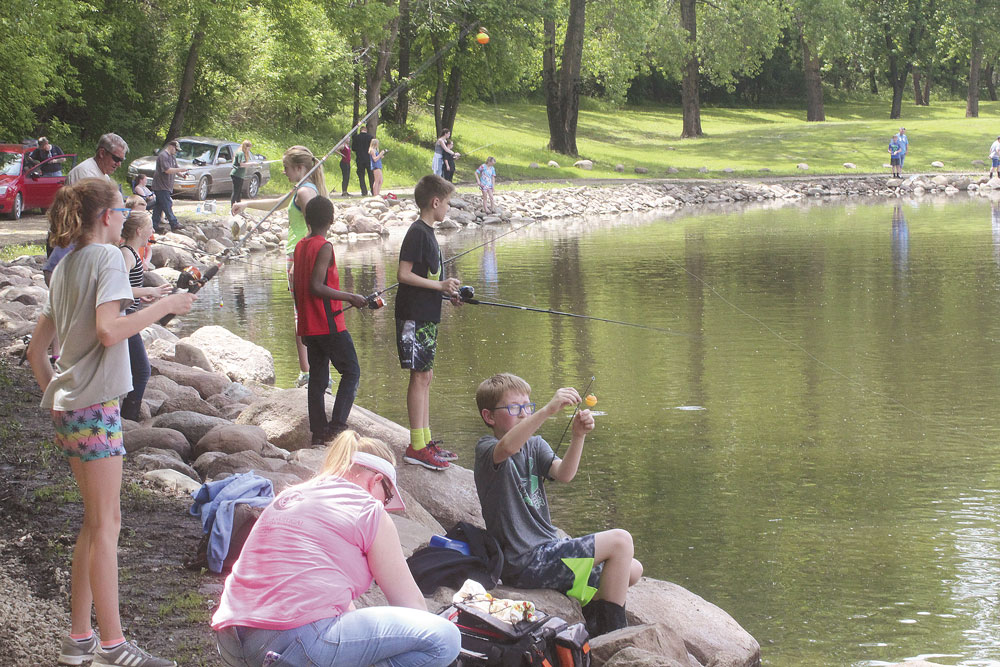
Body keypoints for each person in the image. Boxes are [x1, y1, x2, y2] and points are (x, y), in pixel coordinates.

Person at [26, 178, 196, 667]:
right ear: (106, 217)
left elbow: (40, 352)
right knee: (107, 526)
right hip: (97, 408)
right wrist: (166, 305)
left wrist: (56, 399)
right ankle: (114, 648)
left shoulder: (66, 265)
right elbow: (107, 331)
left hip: (74, 408)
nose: (128, 216)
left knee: (93, 523)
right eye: (124, 209)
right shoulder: (106, 258)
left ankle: (79, 639)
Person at [212, 430, 461, 667]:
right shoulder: (368, 509)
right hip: (288, 641)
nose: (384, 507)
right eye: (386, 498)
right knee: (444, 638)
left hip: (231, 642)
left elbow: (328, 604)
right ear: (376, 481)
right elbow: (412, 607)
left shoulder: (290, 497)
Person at [473, 373, 643, 637]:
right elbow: (506, 447)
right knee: (621, 541)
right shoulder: (488, 449)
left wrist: (578, 436)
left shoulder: (534, 445)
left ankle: (595, 618)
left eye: (527, 406)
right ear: (489, 416)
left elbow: (564, 473)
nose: (524, 414)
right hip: (524, 562)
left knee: (632, 568)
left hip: (548, 551)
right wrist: (548, 410)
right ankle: (612, 634)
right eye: (514, 408)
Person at [233, 146, 326, 386]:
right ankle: (309, 370)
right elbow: (277, 203)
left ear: (299, 168)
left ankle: (308, 372)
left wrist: (299, 260)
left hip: (299, 256)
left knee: (302, 315)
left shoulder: (305, 192)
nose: (284, 172)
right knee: (303, 313)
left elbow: (312, 228)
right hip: (299, 256)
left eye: (286, 168)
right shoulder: (302, 189)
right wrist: (245, 205)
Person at [396, 174, 462, 470]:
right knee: (419, 377)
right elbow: (404, 274)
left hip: (427, 314)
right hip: (414, 315)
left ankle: (425, 440)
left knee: (426, 377)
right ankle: (416, 446)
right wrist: (439, 287)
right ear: (435, 202)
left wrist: (448, 293)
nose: (448, 208)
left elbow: (430, 279)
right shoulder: (417, 232)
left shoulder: (429, 233)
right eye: (447, 203)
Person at [294, 195, 367, 446]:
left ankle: (319, 433)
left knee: (318, 378)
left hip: (309, 326)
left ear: (307, 219)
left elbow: (298, 286)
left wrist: (301, 323)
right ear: (332, 219)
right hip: (328, 323)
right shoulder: (324, 246)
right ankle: (337, 428)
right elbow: (316, 286)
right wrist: (351, 297)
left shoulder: (300, 245)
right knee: (351, 371)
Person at [119, 210, 172, 421]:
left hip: (129, 319)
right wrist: (152, 291)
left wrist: (141, 298)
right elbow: (119, 288)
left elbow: (129, 289)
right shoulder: (125, 253)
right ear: (140, 230)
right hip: (123, 323)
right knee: (142, 371)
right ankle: (128, 420)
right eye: (150, 226)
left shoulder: (133, 252)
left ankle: (125, 417)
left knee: (136, 371)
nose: (152, 230)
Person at [151, 140, 189, 234]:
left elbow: (175, 169)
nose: (176, 152)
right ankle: (174, 223)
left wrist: (182, 174)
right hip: (160, 186)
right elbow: (167, 170)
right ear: (171, 146)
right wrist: (182, 169)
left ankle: (154, 226)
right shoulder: (163, 156)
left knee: (159, 206)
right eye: (176, 149)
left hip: (167, 186)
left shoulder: (172, 157)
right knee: (167, 204)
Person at [230, 140, 256, 210]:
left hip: (240, 175)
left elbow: (244, 165)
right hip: (236, 174)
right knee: (236, 192)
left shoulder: (242, 153)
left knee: (239, 192)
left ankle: (238, 207)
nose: (249, 149)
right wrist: (252, 163)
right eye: (249, 148)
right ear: (246, 147)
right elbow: (242, 164)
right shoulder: (241, 153)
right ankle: (232, 207)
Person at [350, 127, 374, 196]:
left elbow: (353, 148)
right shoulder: (370, 137)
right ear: (366, 130)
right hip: (368, 159)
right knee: (371, 175)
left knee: (361, 176)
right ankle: (373, 190)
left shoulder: (356, 137)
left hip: (360, 159)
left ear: (360, 130)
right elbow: (372, 148)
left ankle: (364, 191)